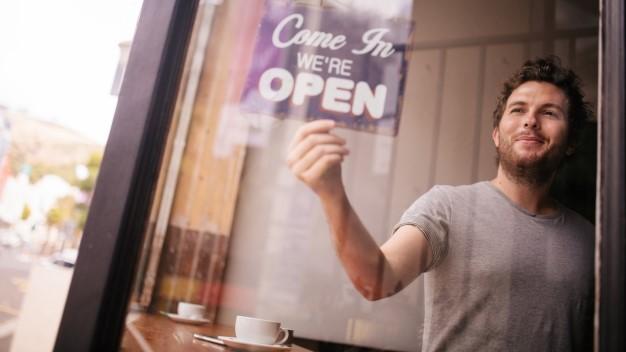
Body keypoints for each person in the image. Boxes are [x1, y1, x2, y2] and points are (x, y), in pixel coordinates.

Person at [286, 56, 594, 351]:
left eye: (549, 113)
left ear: (572, 142)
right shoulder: (447, 207)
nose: (530, 121)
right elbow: (375, 281)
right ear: (497, 135)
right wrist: (332, 193)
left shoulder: (592, 241)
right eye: (518, 110)